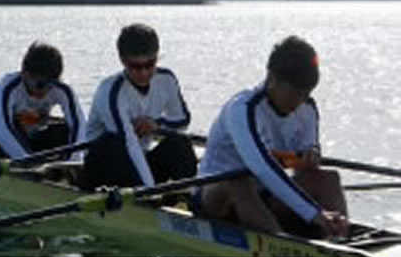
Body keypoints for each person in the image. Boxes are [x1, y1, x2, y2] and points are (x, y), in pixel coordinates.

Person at [196, 35, 348, 238]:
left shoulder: (308, 108)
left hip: (265, 196)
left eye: (306, 94)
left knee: (329, 179)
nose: (300, 102)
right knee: (239, 182)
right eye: (295, 93)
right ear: (272, 79)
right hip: (216, 200)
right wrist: (315, 213)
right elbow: (262, 167)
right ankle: (280, 247)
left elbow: (303, 163)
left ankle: (340, 241)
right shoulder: (242, 109)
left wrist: (311, 156)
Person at [83, 23, 197, 190]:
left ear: (157, 57)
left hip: (139, 159)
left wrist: (156, 124)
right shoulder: (111, 91)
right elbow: (129, 143)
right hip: (105, 167)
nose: (143, 72)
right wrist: (150, 191)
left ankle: (193, 199)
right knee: (114, 144)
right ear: (122, 60)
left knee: (180, 143)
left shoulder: (166, 79)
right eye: (135, 66)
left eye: (150, 64)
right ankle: (148, 199)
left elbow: (182, 121)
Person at [0, 42, 86, 160]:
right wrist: (29, 162)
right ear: (25, 74)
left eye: (52, 85)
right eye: (41, 85)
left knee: (64, 131)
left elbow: (79, 125)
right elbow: (3, 132)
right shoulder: (5, 89)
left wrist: (72, 161)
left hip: (32, 141)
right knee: (16, 128)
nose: (46, 91)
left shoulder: (62, 90)